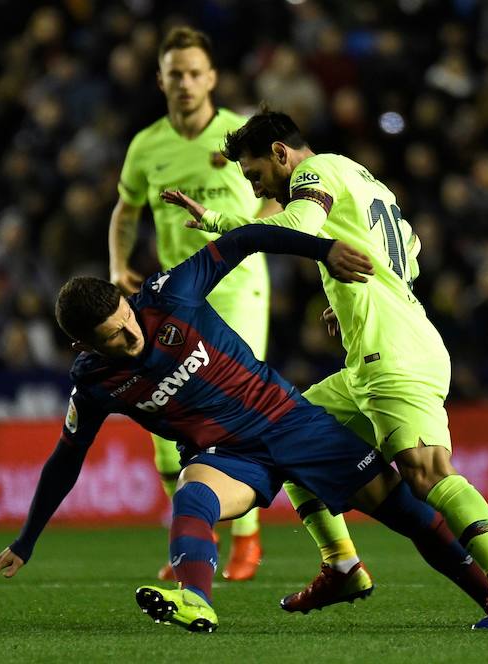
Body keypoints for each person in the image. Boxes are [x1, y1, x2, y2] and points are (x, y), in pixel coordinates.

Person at [0, 224, 488, 632]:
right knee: (192, 496)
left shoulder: (168, 296)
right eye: (113, 336)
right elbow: (66, 460)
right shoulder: (92, 383)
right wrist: (26, 541)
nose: (130, 334)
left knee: (409, 515)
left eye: (126, 318)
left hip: (290, 421)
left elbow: (245, 238)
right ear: (84, 345)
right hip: (229, 456)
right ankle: (197, 600)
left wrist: (323, 251)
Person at [161, 110, 488, 629]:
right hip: (376, 349)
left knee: (426, 470)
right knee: (290, 432)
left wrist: (224, 226)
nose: (257, 189)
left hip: (396, 351)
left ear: (280, 153)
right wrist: (352, 299)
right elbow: (409, 254)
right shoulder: (364, 178)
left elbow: (300, 227)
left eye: (255, 176)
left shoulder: (311, 175)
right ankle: (341, 563)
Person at [109, 25, 364, 590]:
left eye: (195, 72)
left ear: (212, 78)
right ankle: (197, 534)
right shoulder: (145, 145)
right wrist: (116, 265)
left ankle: (246, 538)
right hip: (177, 296)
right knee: (166, 433)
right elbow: (125, 210)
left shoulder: (238, 136)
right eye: (175, 73)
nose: (185, 82)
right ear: (160, 80)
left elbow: (289, 204)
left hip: (239, 286)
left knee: (231, 411)